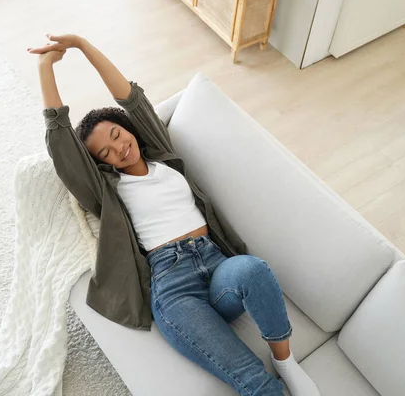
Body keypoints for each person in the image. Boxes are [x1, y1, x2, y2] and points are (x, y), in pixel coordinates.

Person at [28, 33, 320, 396]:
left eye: (118, 135)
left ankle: (285, 361)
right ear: (100, 164)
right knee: (252, 381)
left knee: (252, 269)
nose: (118, 149)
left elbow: (130, 97)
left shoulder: (162, 154)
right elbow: (62, 144)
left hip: (215, 265)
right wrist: (45, 68)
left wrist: (83, 46)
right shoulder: (108, 191)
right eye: (105, 152)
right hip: (174, 286)